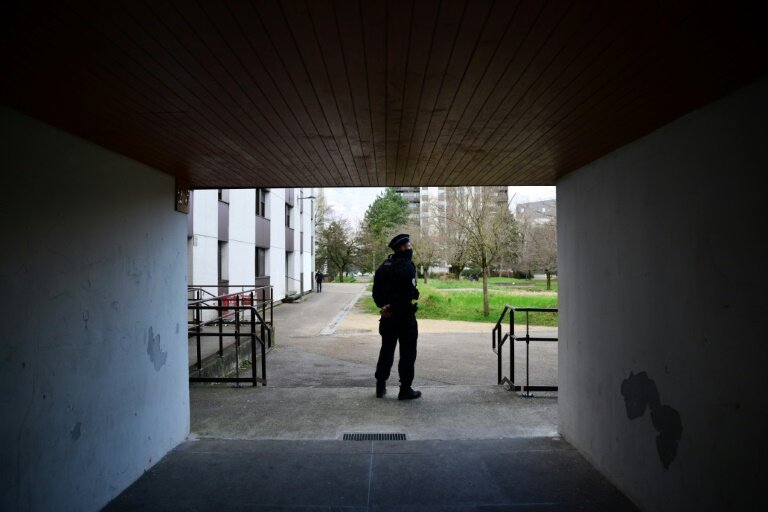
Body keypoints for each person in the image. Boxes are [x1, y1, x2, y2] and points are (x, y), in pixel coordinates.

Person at [371, 233, 421, 400]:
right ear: (401, 247)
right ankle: (405, 389)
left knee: (386, 350)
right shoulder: (407, 266)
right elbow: (406, 295)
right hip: (404, 317)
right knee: (407, 353)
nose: (410, 249)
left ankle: (380, 386)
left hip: (388, 317)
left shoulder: (384, 266)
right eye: (408, 246)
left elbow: (376, 292)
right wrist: (393, 306)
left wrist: (384, 306)